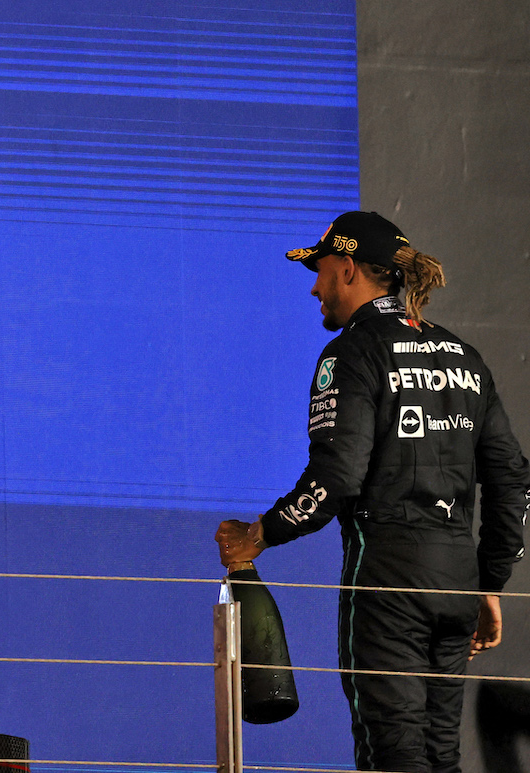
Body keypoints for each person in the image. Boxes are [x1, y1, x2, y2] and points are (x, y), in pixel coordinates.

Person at [216, 211, 530, 773]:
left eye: (319, 270)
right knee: (441, 757)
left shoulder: (352, 354)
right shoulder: (463, 357)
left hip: (388, 587)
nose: (313, 285)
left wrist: (260, 534)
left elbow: (336, 479)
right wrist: (489, 582)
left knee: (396, 758)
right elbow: (511, 476)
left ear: (348, 268)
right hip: (457, 587)